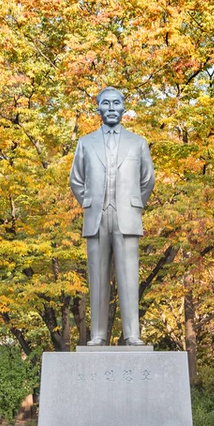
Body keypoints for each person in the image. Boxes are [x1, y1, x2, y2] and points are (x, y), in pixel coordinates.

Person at [69, 86, 155, 346]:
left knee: (129, 276)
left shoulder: (138, 143)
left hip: (127, 217)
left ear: (124, 108)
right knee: (97, 278)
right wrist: (88, 201)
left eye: (116, 103)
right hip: (96, 217)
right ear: (98, 108)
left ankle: (131, 334)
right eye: (105, 104)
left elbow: (147, 180)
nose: (111, 108)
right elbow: (76, 179)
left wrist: (134, 204)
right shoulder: (85, 142)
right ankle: (98, 334)